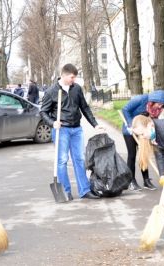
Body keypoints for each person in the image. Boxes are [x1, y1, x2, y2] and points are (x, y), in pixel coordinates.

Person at [40, 63, 104, 200]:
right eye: (71, 77)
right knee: (62, 161)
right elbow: (43, 112)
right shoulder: (51, 91)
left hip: (76, 129)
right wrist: (52, 123)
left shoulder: (76, 89)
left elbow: (85, 108)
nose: (73, 80)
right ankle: (66, 191)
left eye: (74, 78)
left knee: (80, 159)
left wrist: (95, 125)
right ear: (63, 75)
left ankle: (84, 190)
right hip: (61, 130)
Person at [121, 89, 164, 191]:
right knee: (132, 155)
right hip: (130, 130)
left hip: (144, 131)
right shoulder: (141, 99)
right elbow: (125, 109)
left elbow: (154, 121)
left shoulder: (157, 109)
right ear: (153, 100)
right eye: (159, 104)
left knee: (144, 154)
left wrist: (153, 134)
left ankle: (146, 180)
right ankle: (131, 181)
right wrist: (130, 124)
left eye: (162, 105)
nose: (160, 107)